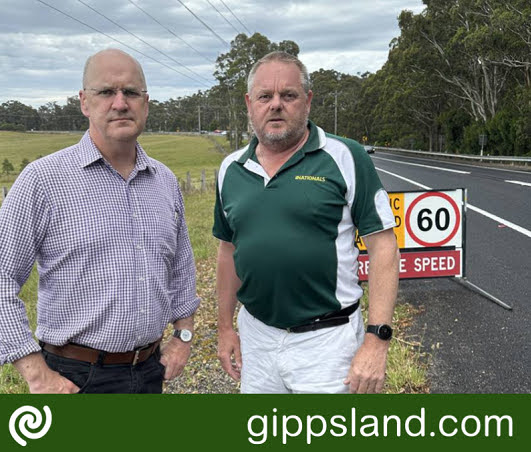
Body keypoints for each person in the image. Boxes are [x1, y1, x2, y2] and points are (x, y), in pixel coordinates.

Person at [0, 49, 200, 393]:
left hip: (150, 372)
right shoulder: (43, 180)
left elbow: (181, 270)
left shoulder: (165, 181)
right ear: (84, 102)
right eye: (106, 92)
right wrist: (34, 370)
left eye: (131, 93)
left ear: (146, 103)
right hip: (74, 378)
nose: (120, 103)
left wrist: (182, 337)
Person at [213, 51, 399, 394]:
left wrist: (377, 339)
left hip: (328, 343)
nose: (276, 105)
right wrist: (225, 327)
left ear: (308, 101)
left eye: (289, 95)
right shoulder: (230, 169)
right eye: (265, 96)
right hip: (257, 338)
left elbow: (383, 245)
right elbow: (228, 250)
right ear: (249, 103)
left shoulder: (345, 157)